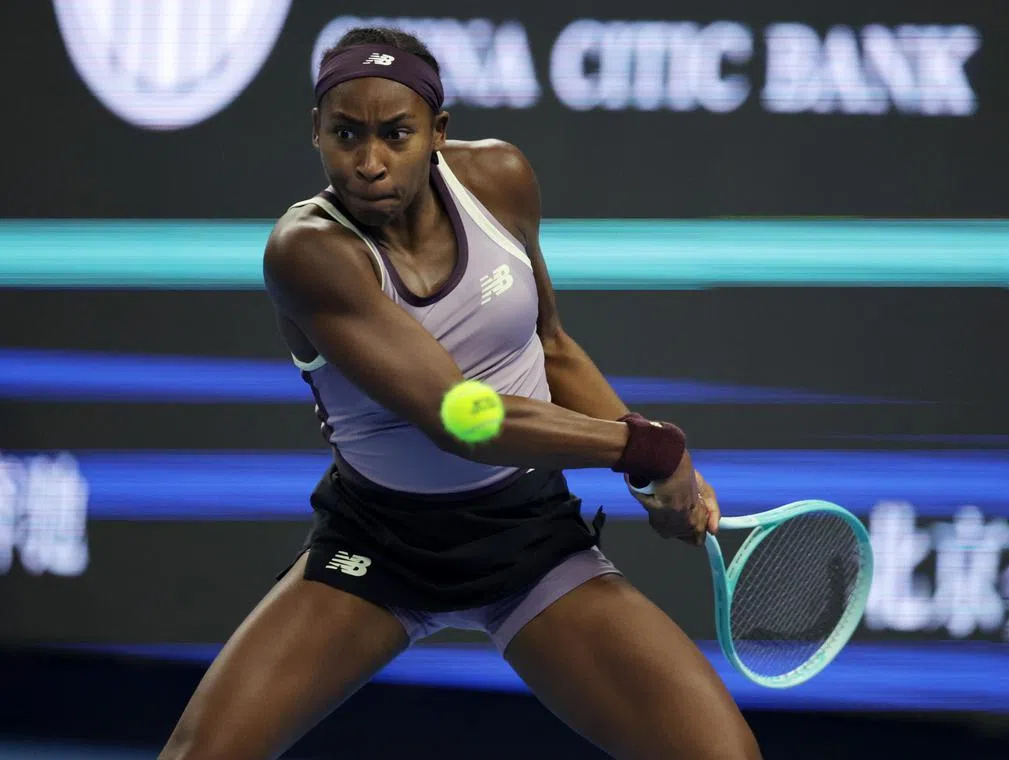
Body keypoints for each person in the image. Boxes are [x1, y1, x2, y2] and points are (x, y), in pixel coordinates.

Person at [158, 26, 761, 760]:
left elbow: (552, 348)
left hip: (530, 541)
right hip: (379, 548)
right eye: (345, 134)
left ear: (438, 133)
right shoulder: (308, 252)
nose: (370, 162)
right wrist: (644, 445)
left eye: (396, 134)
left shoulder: (500, 180)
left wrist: (652, 473)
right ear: (315, 131)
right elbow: (460, 415)